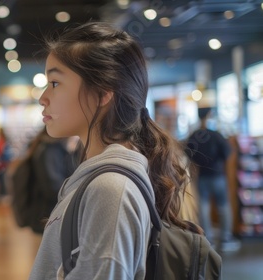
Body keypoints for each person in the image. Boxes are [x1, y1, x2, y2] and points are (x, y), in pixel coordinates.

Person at [29, 22, 197, 279]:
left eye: (54, 83)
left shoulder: (110, 189)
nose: (43, 97)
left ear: (102, 93)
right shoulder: (103, 181)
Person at [185, 107, 240, 252]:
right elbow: (228, 152)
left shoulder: (195, 135)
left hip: (202, 176)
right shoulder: (216, 135)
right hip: (218, 175)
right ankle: (226, 237)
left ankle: (208, 238)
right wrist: (219, 162)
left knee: (203, 207)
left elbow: (188, 154)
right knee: (224, 206)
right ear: (209, 116)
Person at [28, 127, 80, 234]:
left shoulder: (54, 149)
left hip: (52, 213)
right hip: (50, 214)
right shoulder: (51, 151)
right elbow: (53, 186)